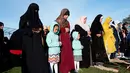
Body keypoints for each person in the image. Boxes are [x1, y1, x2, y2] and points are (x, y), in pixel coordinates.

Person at [9, 3, 49, 73]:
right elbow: (21, 30)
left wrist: (40, 30)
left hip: (37, 42)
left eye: (37, 10)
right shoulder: (23, 18)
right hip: (28, 43)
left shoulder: (38, 20)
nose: (36, 12)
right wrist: (32, 30)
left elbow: (41, 28)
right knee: (29, 61)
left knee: (40, 60)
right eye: (34, 10)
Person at [56, 8, 75, 73]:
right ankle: (63, 69)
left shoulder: (67, 22)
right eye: (66, 15)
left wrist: (68, 30)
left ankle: (69, 68)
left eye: (68, 15)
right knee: (63, 55)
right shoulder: (58, 21)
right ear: (63, 14)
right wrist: (63, 30)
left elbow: (69, 29)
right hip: (61, 39)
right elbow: (56, 30)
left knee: (68, 54)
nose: (67, 16)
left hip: (67, 39)